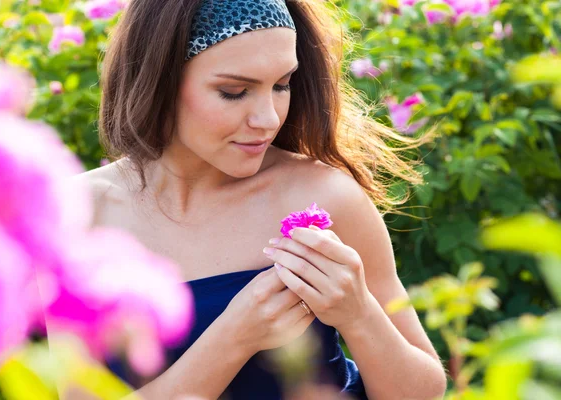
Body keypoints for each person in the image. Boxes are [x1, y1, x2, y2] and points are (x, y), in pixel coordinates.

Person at [75, 0, 448, 399]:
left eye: (282, 85)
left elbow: (423, 393)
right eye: (234, 92)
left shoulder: (325, 196)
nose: (268, 119)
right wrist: (234, 339)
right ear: (159, 79)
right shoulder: (82, 214)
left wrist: (358, 315)